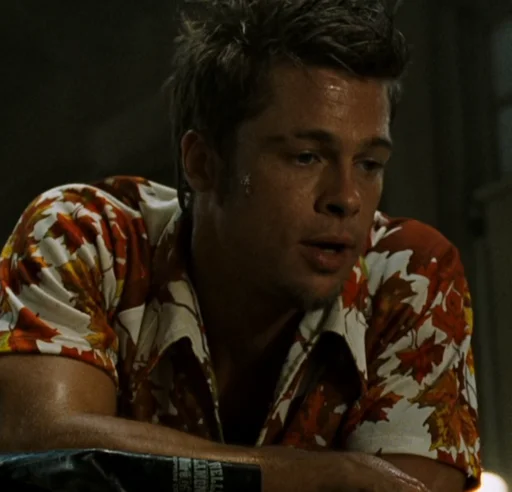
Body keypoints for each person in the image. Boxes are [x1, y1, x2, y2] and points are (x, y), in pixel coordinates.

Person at [0, 0, 480, 491]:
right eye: (306, 157)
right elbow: (41, 444)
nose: (347, 198)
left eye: (369, 164)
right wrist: (322, 475)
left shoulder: (408, 274)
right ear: (204, 164)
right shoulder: (84, 237)